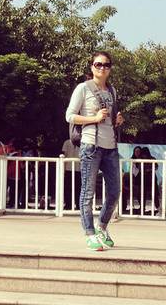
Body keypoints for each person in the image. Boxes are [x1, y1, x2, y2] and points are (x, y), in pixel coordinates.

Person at [65, 50, 124, 251]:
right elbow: (70, 116)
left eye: (106, 65)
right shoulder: (83, 88)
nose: (102, 68)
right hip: (91, 145)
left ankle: (102, 227)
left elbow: (110, 120)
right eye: (98, 64)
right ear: (92, 67)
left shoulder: (112, 90)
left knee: (114, 192)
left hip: (111, 147)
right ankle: (89, 233)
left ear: (110, 68)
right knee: (88, 192)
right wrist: (94, 118)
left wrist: (116, 120)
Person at [0, 137, 24, 208]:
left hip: (11, 173)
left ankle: (7, 203)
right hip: (10, 173)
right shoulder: (5, 149)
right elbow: (21, 165)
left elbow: (21, 165)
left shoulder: (11, 150)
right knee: (10, 190)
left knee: (9, 189)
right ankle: (8, 203)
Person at [61, 138, 81, 210]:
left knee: (78, 188)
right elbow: (64, 155)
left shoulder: (82, 143)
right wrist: (63, 170)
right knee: (68, 188)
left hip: (78, 169)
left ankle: (79, 205)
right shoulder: (67, 142)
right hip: (68, 169)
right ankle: (68, 204)